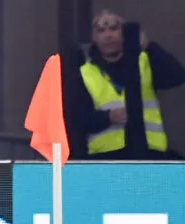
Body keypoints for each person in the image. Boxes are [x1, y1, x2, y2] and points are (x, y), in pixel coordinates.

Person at [72, 11, 185, 159]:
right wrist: (109, 117)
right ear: (94, 38)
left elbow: (177, 76)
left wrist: (149, 47)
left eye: (114, 28)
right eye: (101, 30)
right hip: (106, 158)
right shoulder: (85, 72)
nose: (108, 35)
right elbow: (78, 118)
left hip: (149, 153)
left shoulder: (145, 60)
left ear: (124, 32)